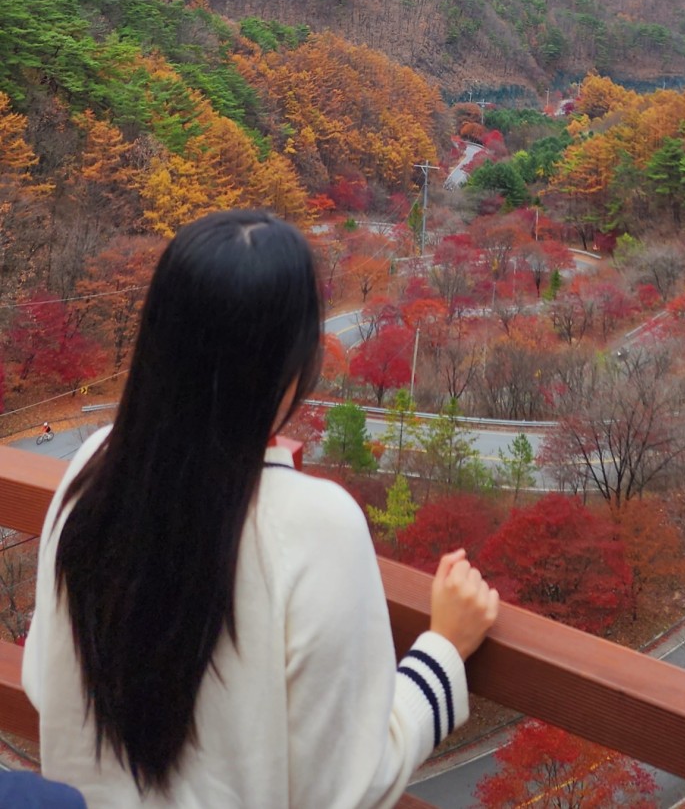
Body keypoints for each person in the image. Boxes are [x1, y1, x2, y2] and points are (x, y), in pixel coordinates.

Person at [22, 210, 498, 808]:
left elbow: (44, 682)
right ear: (297, 365)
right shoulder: (318, 525)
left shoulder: (92, 473)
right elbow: (350, 783)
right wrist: (445, 650)